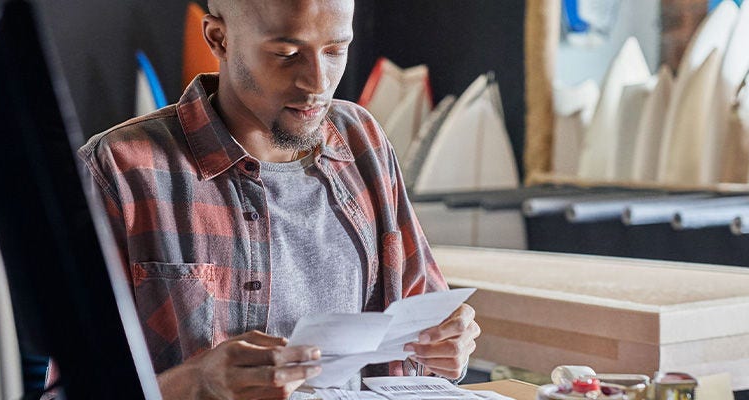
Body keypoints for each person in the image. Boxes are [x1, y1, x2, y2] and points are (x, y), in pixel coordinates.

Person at [73, 0, 481, 398]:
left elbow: (425, 317)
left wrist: (448, 344)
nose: (317, 83)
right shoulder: (121, 169)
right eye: (286, 54)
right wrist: (197, 384)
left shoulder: (363, 140)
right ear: (219, 38)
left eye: (336, 50)